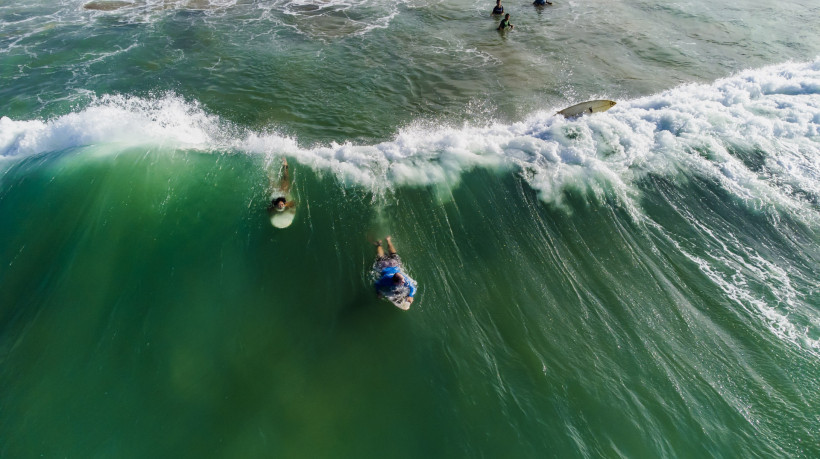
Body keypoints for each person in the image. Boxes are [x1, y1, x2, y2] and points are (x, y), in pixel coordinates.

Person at [372, 236, 417, 304]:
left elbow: (413, 287)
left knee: (389, 255)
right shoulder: (386, 280)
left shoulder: (390, 280)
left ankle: (381, 243)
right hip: (386, 265)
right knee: (388, 256)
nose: (404, 281)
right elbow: (376, 284)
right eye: (402, 281)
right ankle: (386, 241)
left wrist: (411, 296)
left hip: (392, 264)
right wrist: (378, 292)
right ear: (395, 282)